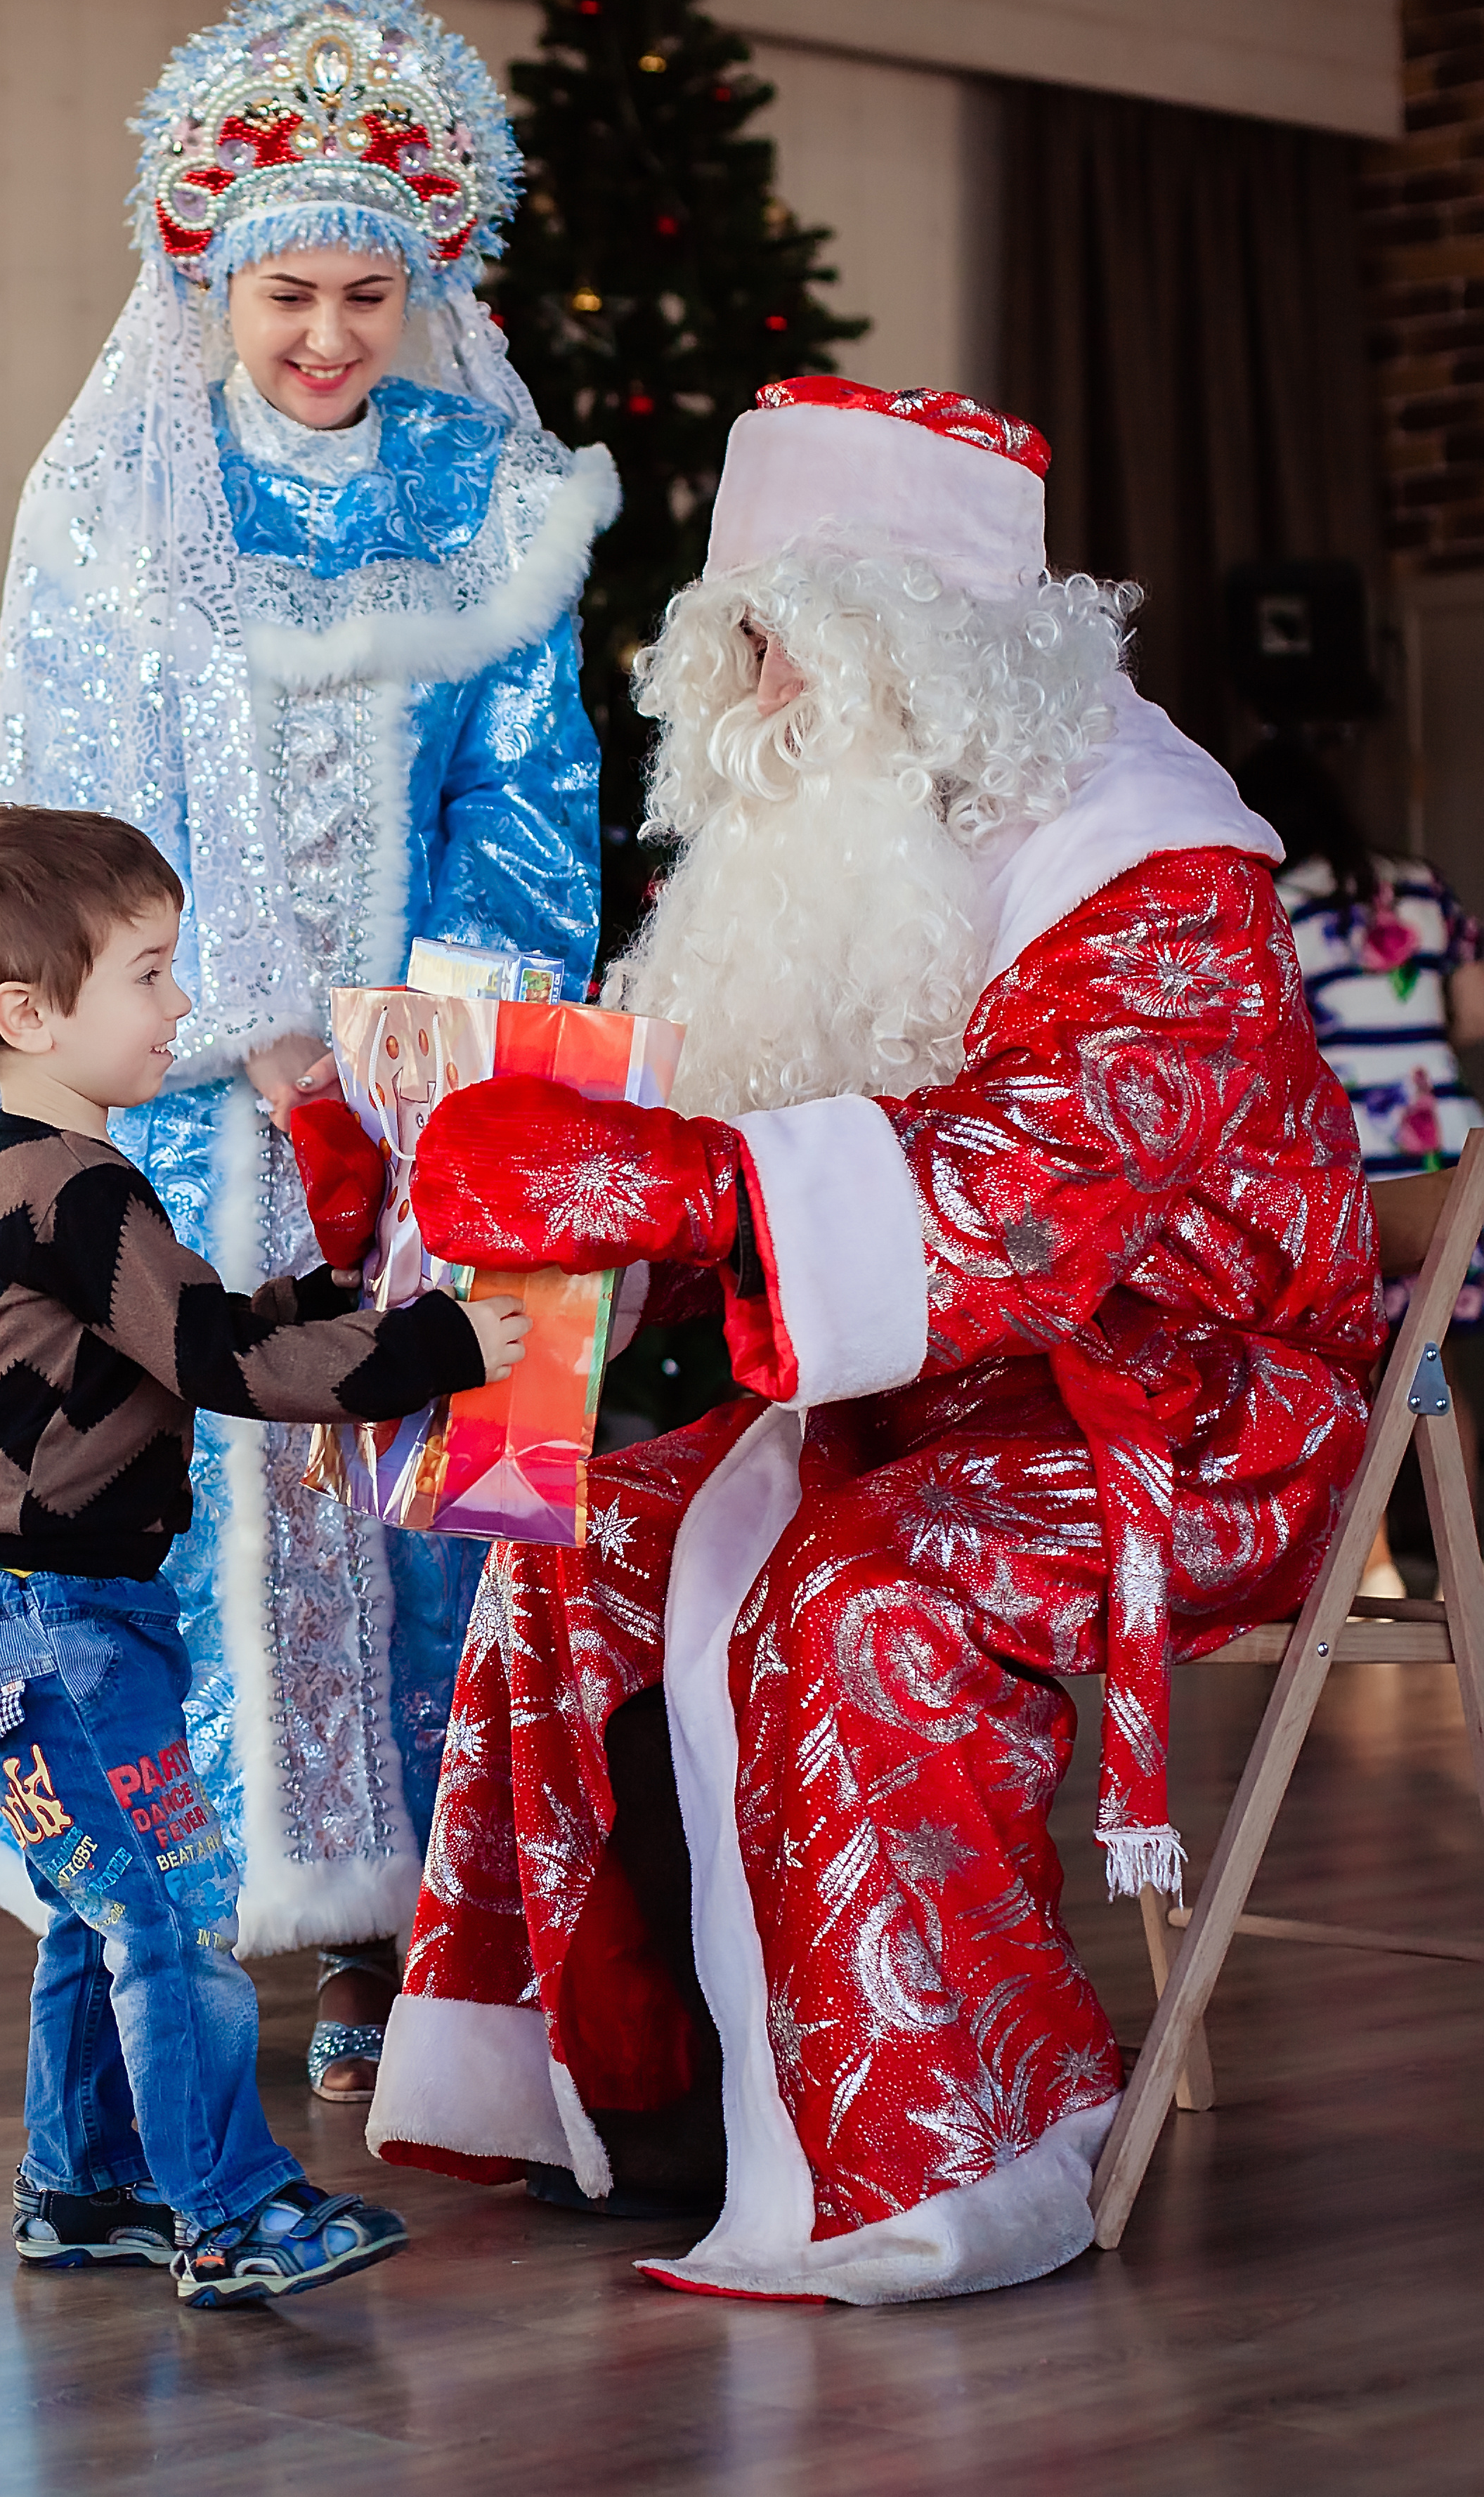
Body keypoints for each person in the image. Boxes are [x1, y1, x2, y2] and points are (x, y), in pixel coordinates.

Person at [363, 378, 1384, 2304]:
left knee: (853, 1589)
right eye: (732, 636)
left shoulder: (1151, 868)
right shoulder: (826, 848)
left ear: (917, 649)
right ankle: (652, 2094)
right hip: (924, 1398)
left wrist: (654, 1177)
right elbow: (715, 1178)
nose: (747, 691)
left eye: (784, 640)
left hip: (1193, 1408)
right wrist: (495, 1194)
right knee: (579, 1537)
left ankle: (946, 2150)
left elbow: (1019, 1199)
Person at [0, 0, 613, 2101]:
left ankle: (427, 1943)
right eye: (289, 296)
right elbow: (63, 819)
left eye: (370, 293)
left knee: (449, 1500)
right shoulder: (119, 496)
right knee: (176, 1513)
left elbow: (531, 797)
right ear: (211, 280)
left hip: (439, 1087)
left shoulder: (495, 490)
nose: (331, 338)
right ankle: (154, 1936)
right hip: (182, 1092)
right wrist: (236, 1027)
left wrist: (422, 1024)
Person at [0, 801, 527, 2302]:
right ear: (29, 1014)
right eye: (148, 973)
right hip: (54, 1622)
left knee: (103, 1905)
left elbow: (199, 1325)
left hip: (22, 1617)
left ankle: (81, 2182)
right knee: (173, 1908)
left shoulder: (27, 1175)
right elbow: (218, 1362)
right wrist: (439, 1343)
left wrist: (324, 1300)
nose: (181, 1003)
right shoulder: (78, 1189)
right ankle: (233, 2212)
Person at [1238, 735, 1484, 1597]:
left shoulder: (1267, 902)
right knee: (1435, 1362)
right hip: (1448, 1148)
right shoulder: (1418, 885)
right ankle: (1461, 1568)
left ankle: (1370, 1569)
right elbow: (1473, 1009)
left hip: (1347, 1160)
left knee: (1351, 1372)